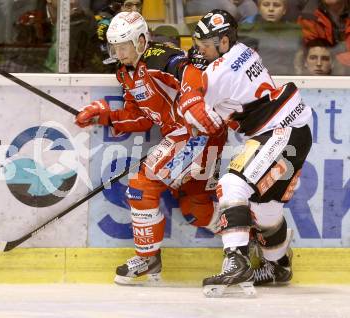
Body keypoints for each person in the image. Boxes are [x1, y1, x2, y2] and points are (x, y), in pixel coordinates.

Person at [74, 11, 227, 285]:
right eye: (114, 48)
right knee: (196, 209)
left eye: (123, 46)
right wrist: (106, 115)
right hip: (187, 137)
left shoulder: (160, 56)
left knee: (142, 187)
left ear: (142, 40)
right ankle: (255, 240)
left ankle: (148, 258)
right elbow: (142, 118)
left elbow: (189, 71)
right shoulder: (126, 73)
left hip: (194, 134)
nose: (118, 53)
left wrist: (191, 99)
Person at [177, 9, 312, 296]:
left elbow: (203, 122)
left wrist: (187, 100)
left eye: (204, 47)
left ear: (224, 42)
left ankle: (235, 261)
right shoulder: (244, 50)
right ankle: (278, 266)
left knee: (231, 184)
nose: (199, 52)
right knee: (265, 210)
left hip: (280, 129)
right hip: (295, 126)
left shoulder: (217, 73)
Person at [238, 0, 302, 75]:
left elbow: (298, 61)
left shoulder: (294, 31)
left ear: (284, 10)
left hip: (288, 78)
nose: (271, 9)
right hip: (258, 80)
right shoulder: (247, 30)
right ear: (259, 8)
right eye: (266, 5)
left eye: (276, 5)